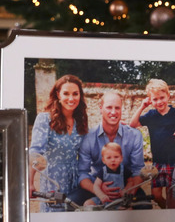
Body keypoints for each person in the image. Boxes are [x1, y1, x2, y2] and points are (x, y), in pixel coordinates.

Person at [29, 75, 89, 212]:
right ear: (58, 95)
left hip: (75, 183)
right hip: (53, 182)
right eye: (66, 93)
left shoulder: (81, 122)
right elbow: (36, 152)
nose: (71, 98)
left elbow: (86, 153)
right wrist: (30, 183)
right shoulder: (45, 119)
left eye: (75, 94)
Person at [74, 91, 145, 204]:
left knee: (144, 207)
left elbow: (138, 171)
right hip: (95, 186)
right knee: (71, 203)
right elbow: (83, 173)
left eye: (117, 108)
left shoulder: (134, 136)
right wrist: (99, 190)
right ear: (100, 108)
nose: (113, 112)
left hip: (125, 186)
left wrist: (127, 191)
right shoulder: (88, 137)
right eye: (109, 107)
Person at [129, 79, 175, 208]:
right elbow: (133, 124)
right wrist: (142, 106)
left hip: (173, 161)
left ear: (168, 96)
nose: (159, 102)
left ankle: (172, 217)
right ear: (150, 100)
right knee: (156, 194)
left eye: (162, 97)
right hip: (157, 162)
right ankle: (167, 211)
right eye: (155, 99)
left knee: (171, 195)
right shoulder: (151, 115)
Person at [84, 142, 131, 207]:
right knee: (88, 203)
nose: (113, 160)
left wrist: (125, 190)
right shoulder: (103, 171)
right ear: (103, 160)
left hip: (120, 200)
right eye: (109, 158)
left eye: (116, 157)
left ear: (121, 158)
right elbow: (96, 186)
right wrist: (101, 195)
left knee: (128, 208)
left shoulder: (124, 170)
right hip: (104, 199)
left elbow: (131, 182)